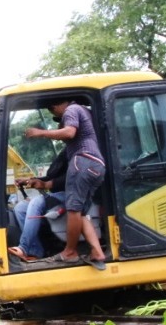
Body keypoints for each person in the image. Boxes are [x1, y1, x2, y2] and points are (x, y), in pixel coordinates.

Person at [24, 99, 108, 270]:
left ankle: (69, 251)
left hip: (83, 162)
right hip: (97, 166)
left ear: (56, 106)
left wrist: (40, 133)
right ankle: (97, 251)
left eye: (53, 112)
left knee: (73, 210)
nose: (57, 118)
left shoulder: (71, 110)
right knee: (81, 212)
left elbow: (69, 132)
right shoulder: (86, 112)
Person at [8, 147, 67, 262]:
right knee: (20, 208)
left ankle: (23, 248)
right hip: (57, 195)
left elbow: (71, 178)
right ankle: (36, 251)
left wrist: (46, 184)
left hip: (72, 194)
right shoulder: (65, 153)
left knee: (36, 202)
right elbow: (50, 177)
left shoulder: (79, 151)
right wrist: (29, 180)